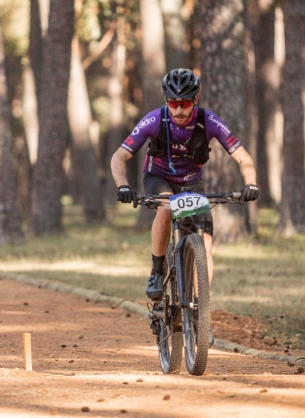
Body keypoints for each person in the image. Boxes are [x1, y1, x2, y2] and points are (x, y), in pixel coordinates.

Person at [110, 68, 259, 302]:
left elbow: (243, 157)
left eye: (185, 103)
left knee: (206, 247)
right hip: (158, 177)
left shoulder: (208, 120)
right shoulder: (154, 119)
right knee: (168, 209)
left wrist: (250, 183)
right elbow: (119, 156)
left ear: (195, 100)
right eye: (173, 103)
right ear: (166, 100)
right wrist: (123, 186)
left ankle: (200, 310)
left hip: (191, 183)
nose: (179, 109)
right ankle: (156, 272)